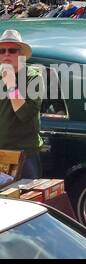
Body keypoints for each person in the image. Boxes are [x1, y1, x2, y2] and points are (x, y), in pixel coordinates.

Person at [0, 28, 41, 178]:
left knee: (25, 198)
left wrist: (11, 85)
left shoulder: (32, 77)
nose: (6, 55)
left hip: (23, 154)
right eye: (2, 51)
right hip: (1, 153)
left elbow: (24, 114)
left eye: (11, 50)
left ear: (21, 54)